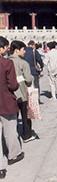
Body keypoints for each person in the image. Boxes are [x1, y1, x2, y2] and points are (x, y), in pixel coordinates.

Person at [0, 37, 25, 179]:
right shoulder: (6, 63)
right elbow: (13, 85)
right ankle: (13, 155)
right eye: (6, 47)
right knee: (9, 130)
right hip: (5, 101)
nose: (7, 50)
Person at [8, 40, 39, 143]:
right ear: (17, 51)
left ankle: (14, 137)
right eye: (23, 49)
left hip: (10, 94)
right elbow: (29, 79)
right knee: (25, 115)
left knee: (13, 118)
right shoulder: (23, 63)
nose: (25, 52)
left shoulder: (6, 62)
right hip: (21, 93)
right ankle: (27, 135)